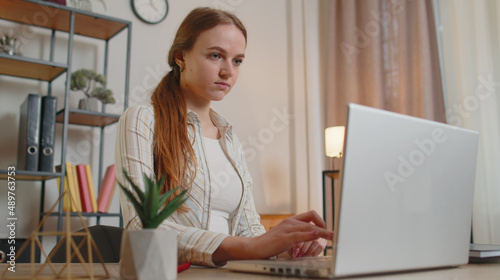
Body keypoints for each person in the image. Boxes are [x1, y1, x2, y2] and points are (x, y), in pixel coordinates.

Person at [115, 7, 333, 267]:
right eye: (216, 56)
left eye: (237, 60)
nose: (228, 71)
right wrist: (250, 246)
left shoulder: (229, 139)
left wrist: (287, 248)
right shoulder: (142, 119)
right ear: (181, 57)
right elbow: (140, 226)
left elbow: (250, 232)